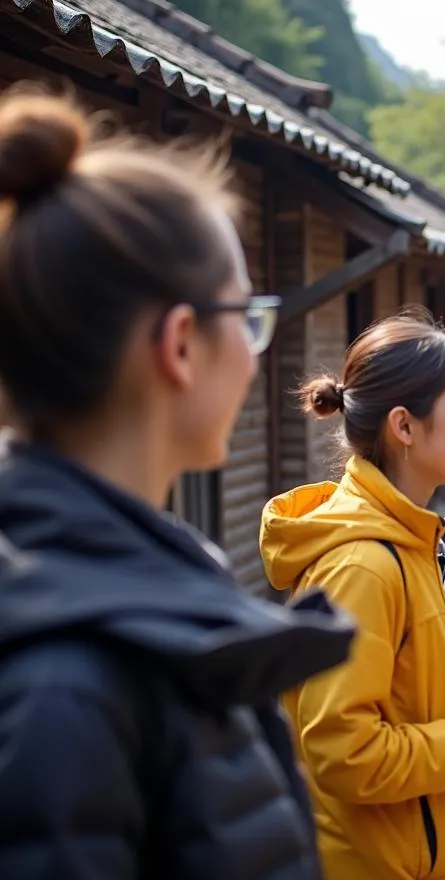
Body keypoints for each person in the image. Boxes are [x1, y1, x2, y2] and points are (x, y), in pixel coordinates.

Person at [0, 89, 356, 878]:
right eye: (249, 317)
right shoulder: (64, 687)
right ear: (181, 344)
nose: (257, 353)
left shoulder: (145, 580)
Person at [259, 311, 445, 880]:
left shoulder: (407, 538)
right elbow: (342, 750)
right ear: (404, 427)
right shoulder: (363, 565)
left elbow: (393, 694)